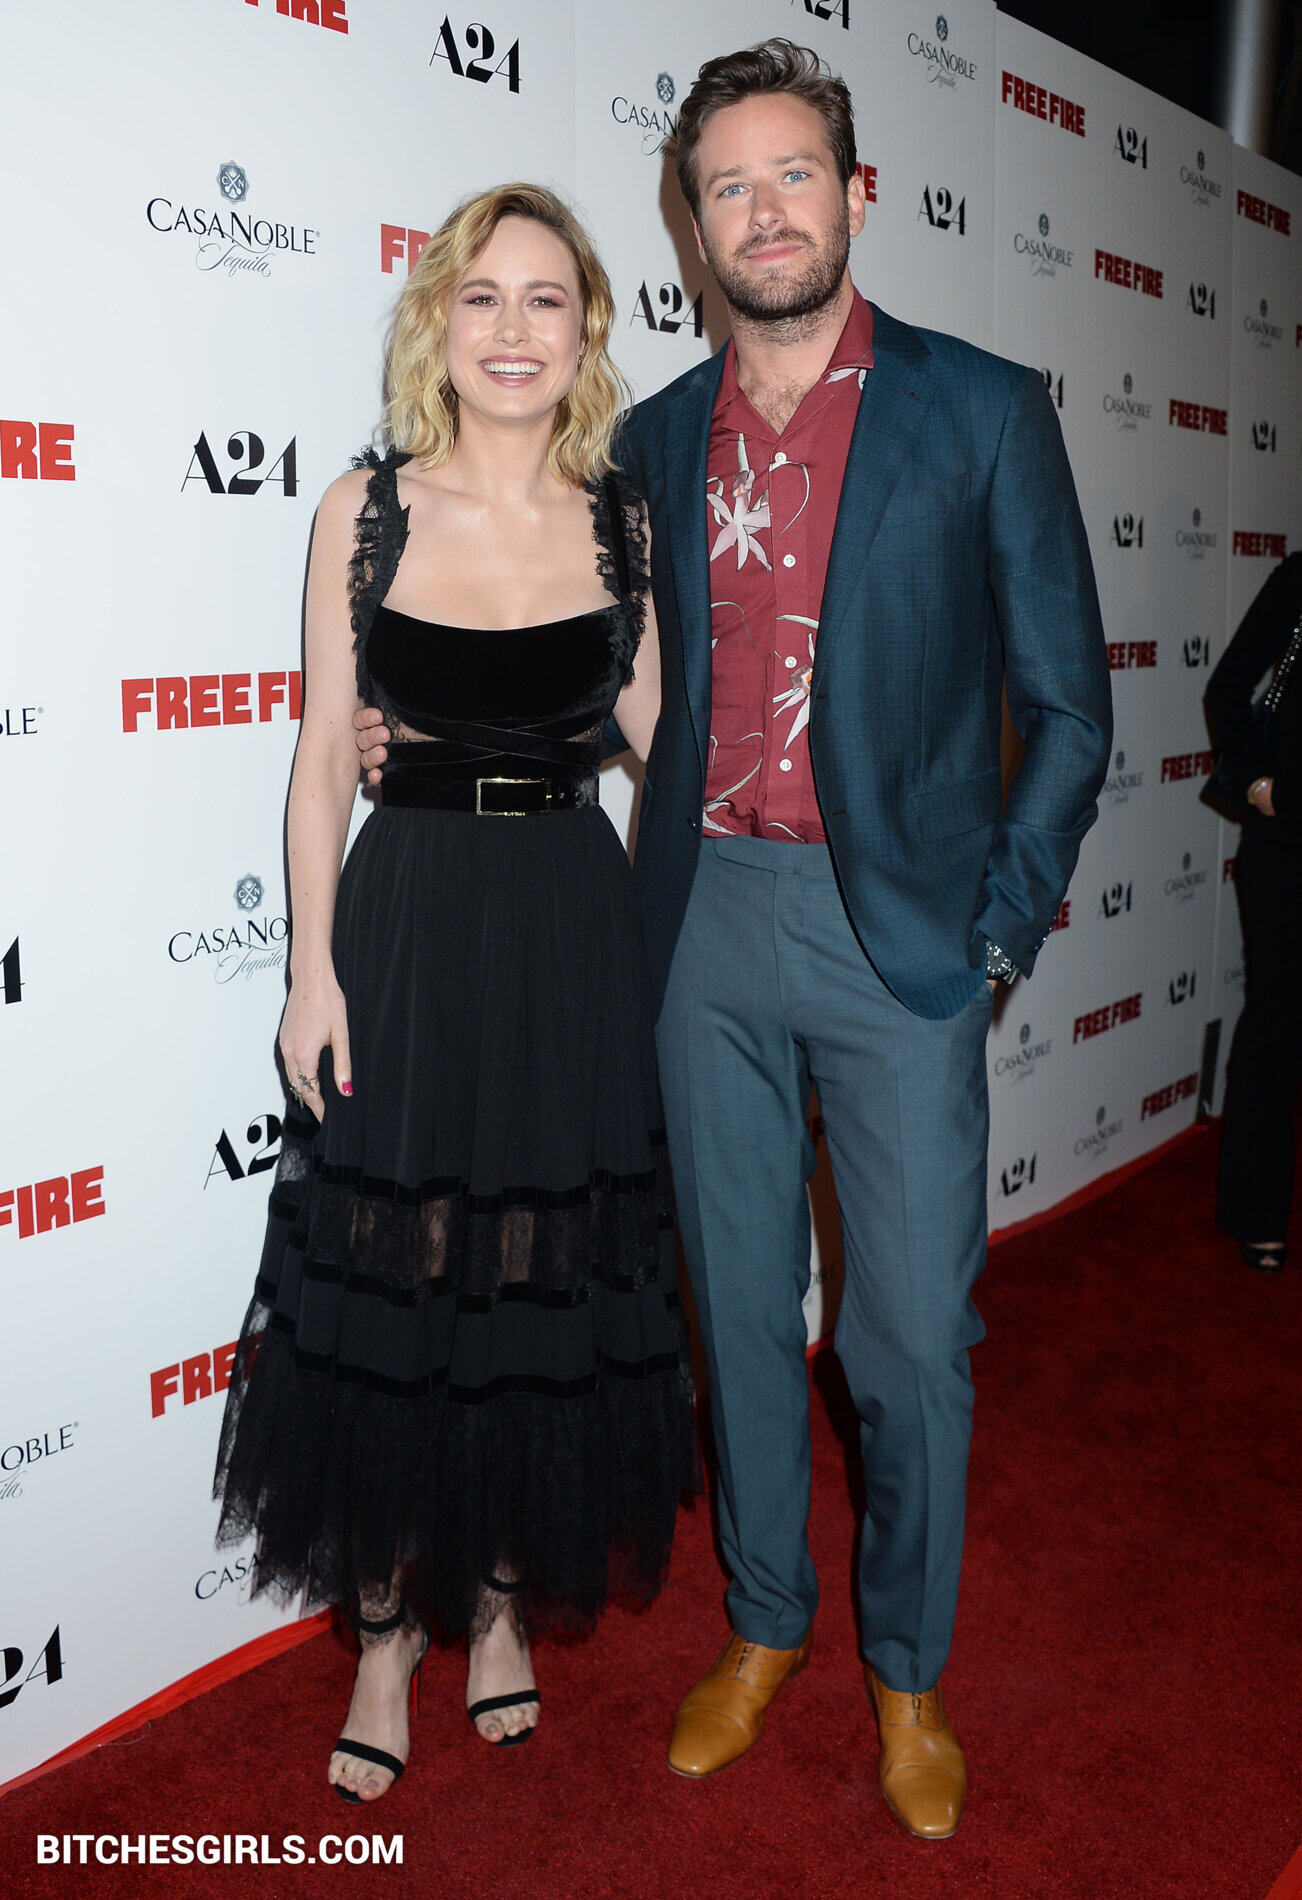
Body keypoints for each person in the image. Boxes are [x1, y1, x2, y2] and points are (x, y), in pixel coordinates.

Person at [356, 41, 1111, 1839]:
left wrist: (996, 934)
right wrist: (414, 725)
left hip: (900, 941)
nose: (763, 213)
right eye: (726, 188)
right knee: (738, 1317)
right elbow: (572, 661)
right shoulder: (649, 444)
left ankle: (904, 1670)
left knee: (908, 1344)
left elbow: (1070, 709)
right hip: (694, 929)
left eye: (793, 176)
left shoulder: (979, 410)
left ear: (853, 193)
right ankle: (766, 1622)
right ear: (691, 227)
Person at [213, 181, 696, 1803]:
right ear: (438, 320)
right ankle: (380, 1632)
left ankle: (492, 1604)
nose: (511, 329)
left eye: (545, 299)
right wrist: (309, 971)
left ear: (585, 331)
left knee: (534, 1268)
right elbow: (316, 759)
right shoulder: (363, 508)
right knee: (398, 1276)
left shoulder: (623, 520)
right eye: (481, 296)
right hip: (409, 921)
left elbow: (663, 743)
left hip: (571, 923)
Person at [1207, 550, 1302, 1275]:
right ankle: (1257, 1211)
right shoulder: (1300, 579)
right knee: (1277, 1024)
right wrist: (1258, 784)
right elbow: (1229, 685)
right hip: (1289, 849)